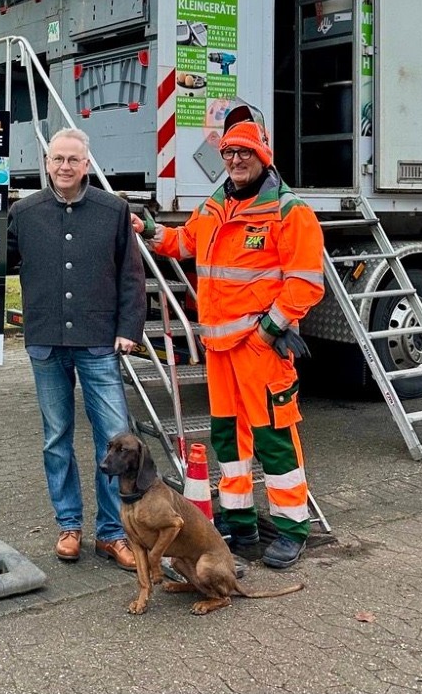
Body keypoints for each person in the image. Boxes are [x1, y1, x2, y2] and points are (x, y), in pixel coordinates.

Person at [138, 104, 324, 569]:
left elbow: (305, 282)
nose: (236, 160)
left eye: (244, 152)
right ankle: (239, 525)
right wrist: (149, 229)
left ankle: (292, 529)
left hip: (260, 351)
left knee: (274, 438)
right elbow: (185, 243)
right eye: (229, 153)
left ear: (263, 156)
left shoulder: (289, 212)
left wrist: (267, 332)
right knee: (229, 440)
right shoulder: (217, 204)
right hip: (220, 349)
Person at [7, 127, 146, 570]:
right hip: (46, 340)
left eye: (74, 159)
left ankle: (112, 532)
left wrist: (129, 328)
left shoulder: (113, 210)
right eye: (58, 159)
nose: (65, 166)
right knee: (56, 439)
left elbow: (131, 275)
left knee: (115, 440)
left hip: (98, 340)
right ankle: (69, 525)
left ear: (86, 164)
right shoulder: (25, 212)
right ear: (47, 163)